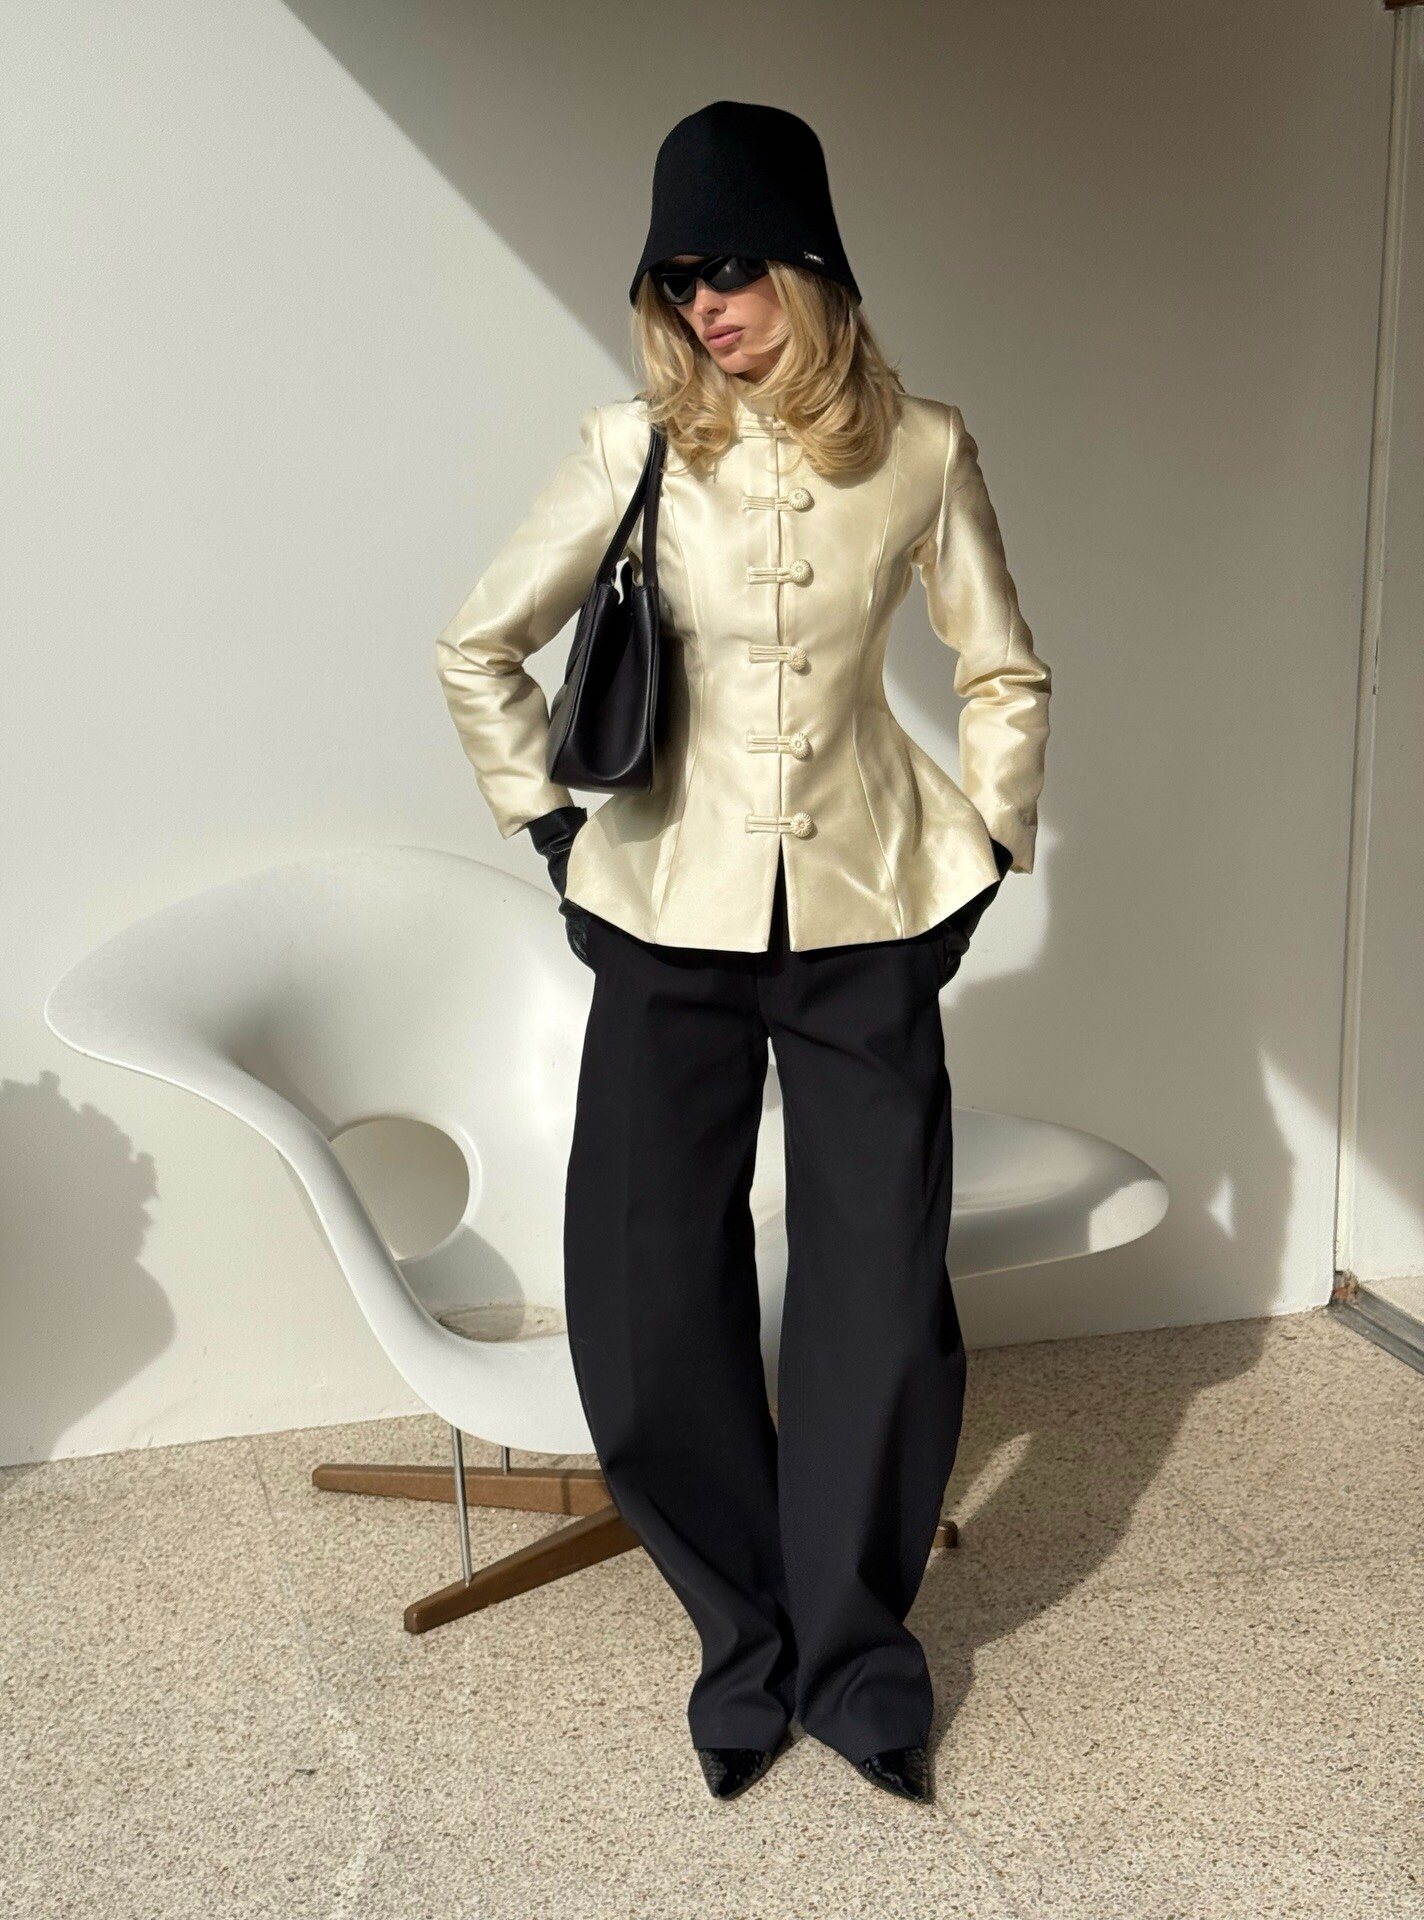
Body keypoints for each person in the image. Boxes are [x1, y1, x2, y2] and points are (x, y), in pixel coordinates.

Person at [435, 100, 1051, 1805]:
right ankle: (741, 1640)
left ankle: (856, 1655)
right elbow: (477, 644)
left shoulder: (923, 449)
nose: (705, 303)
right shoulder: (628, 449)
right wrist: (551, 833)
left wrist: (987, 853)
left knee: (880, 1288)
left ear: (813, 264)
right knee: (646, 1291)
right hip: (662, 919)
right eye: (675, 277)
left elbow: (1003, 670)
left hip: (871, 915)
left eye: (733, 266)